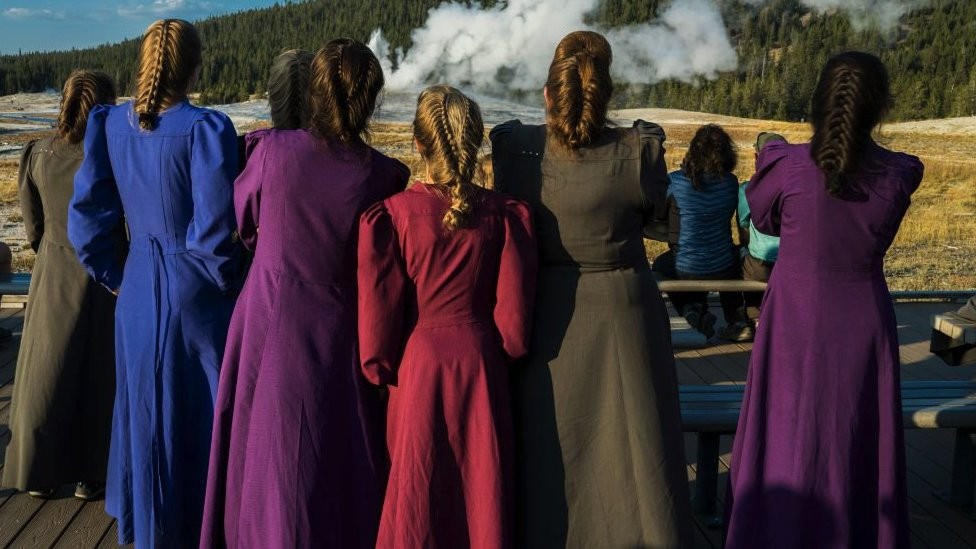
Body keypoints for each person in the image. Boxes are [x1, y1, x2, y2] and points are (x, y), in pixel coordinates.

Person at [201, 39, 408, 548]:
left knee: (265, 454)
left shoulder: (272, 151)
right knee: (338, 453)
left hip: (271, 312)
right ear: (370, 99)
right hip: (344, 325)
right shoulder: (385, 175)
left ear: (315, 92)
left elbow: (246, 223)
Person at [491, 31, 693, 548]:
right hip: (624, 310)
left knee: (546, 444)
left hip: (543, 315)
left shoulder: (515, 148)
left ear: (547, 92)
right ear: (607, 92)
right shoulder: (638, 151)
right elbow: (660, 217)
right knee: (635, 444)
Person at [725, 51, 922, 548]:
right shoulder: (900, 172)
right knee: (854, 434)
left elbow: (763, 220)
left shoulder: (787, 165)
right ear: (879, 108)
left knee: (784, 428)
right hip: (862, 317)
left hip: (794, 314)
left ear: (818, 102)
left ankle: (774, 532)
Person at [68, 19, 241, 548]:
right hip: (196, 291)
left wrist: (116, 275)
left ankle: (150, 524)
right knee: (201, 410)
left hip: (138, 287)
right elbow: (215, 235)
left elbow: (87, 221)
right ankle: (201, 527)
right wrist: (231, 285)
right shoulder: (206, 129)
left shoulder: (111, 125)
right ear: (193, 67)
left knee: (145, 407)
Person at [359, 85, 537, 549]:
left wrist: (383, 372)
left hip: (418, 372)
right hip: (481, 368)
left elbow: (376, 341)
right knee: (482, 496)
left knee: (417, 502)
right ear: (473, 141)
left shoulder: (393, 216)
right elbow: (515, 333)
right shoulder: (504, 215)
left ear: (418, 143)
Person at [4, 71, 120, 501]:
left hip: (52, 269)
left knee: (45, 372)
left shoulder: (37, 154)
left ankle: (39, 469)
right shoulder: (110, 158)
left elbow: (33, 227)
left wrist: (51, 251)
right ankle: (94, 472)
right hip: (102, 276)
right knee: (99, 373)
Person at [652, 124, 741, 339]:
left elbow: (659, 213)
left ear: (694, 150)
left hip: (686, 266)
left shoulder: (675, 181)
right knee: (729, 257)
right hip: (724, 265)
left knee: (662, 265)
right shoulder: (731, 183)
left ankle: (691, 309)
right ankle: (736, 320)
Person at [718, 132, 787, 342]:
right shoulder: (797, 188)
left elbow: (744, 230)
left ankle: (747, 319)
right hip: (790, 261)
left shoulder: (747, 189)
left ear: (756, 156)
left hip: (760, 265)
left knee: (735, 261)